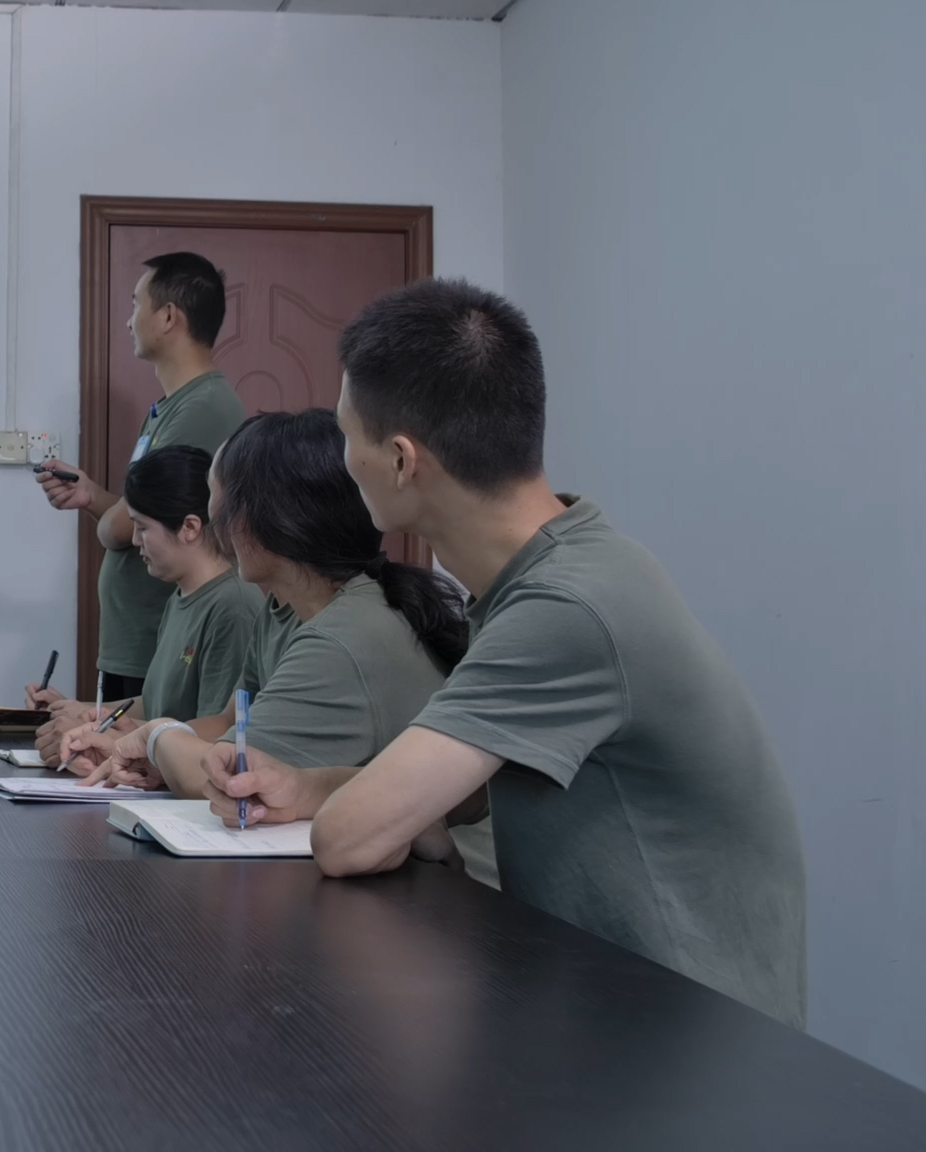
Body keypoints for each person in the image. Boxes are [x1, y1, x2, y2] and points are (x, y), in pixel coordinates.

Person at [203, 279, 806, 1026]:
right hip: (605, 1004)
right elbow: (482, 786)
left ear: (400, 461)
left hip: (691, 1039)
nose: (342, 458)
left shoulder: (567, 605)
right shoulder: (562, 569)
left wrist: (341, 807)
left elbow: (348, 840)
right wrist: (309, 786)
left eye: (347, 434)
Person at [71, 410, 490, 880]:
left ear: (268, 517)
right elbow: (231, 723)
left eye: (219, 499)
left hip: (451, 891)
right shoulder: (283, 609)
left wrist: (156, 737)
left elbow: (222, 776)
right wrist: (152, 755)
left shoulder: (339, 639)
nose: (214, 519)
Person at [32, 252, 247, 702]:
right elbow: (140, 513)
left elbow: (122, 528)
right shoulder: (169, 408)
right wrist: (92, 496)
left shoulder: (203, 408)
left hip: (155, 638)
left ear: (168, 316)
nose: (129, 321)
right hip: (136, 640)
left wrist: (112, 523)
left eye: (136, 305)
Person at [26, 445, 263, 765]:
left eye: (143, 528)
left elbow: (216, 731)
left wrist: (106, 736)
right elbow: (154, 705)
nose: (136, 541)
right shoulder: (179, 599)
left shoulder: (232, 607)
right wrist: (83, 711)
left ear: (190, 528)